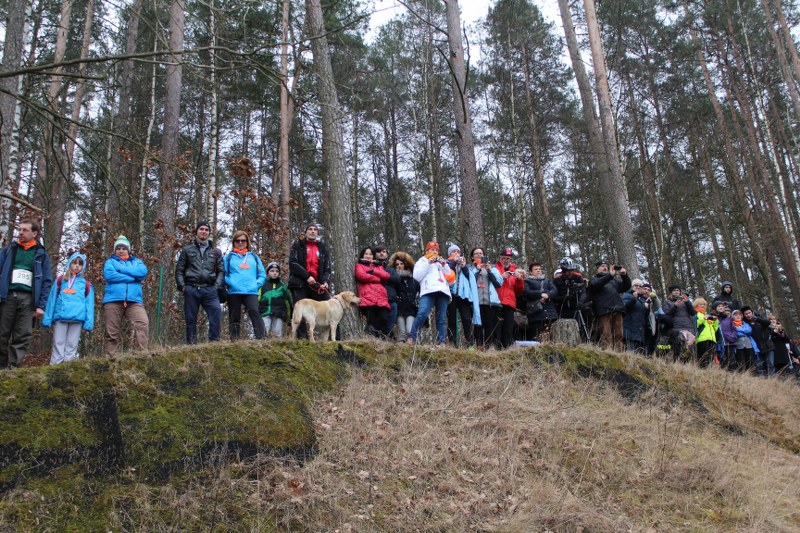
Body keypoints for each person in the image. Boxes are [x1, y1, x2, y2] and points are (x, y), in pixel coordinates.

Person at [0, 218, 53, 368]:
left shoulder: (41, 254)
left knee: (22, 335)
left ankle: (13, 370)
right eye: (20, 229)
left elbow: (46, 281)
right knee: (2, 334)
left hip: (29, 300)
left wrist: (41, 306)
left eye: (25, 230)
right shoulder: (9, 250)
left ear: (34, 233)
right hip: (7, 297)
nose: (21, 233)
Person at [175, 221, 223, 344]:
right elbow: (179, 270)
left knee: (216, 312)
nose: (203, 231)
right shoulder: (187, 250)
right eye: (201, 229)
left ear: (209, 233)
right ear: (196, 231)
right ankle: (191, 344)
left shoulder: (216, 252)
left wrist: (216, 287)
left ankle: (214, 342)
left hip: (210, 289)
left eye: (206, 230)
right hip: (191, 288)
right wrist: (182, 287)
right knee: (190, 318)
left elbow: (221, 271)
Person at [42, 252, 94, 364]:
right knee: (58, 342)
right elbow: (52, 299)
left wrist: (89, 322)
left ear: (83, 266)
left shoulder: (86, 284)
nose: (77, 266)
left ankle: (68, 367)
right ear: (69, 264)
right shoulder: (61, 280)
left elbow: (89, 305)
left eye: (80, 264)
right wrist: (47, 318)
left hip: (78, 318)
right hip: (61, 316)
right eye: (74, 263)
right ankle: (54, 366)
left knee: (72, 344)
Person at [103, 235, 149, 356]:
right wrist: (132, 278)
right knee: (111, 331)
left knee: (142, 323)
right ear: (115, 250)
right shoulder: (110, 262)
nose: (121, 250)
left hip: (134, 301)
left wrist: (121, 269)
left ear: (128, 250)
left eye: (124, 248)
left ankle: (141, 355)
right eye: (118, 248)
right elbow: (110, 276)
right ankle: (110, 357)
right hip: (113, 300)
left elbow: (142, 273)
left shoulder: (137, 262)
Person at [406, 241, 455, 346]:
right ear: (427, 251)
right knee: (422, 313)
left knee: (441, 318)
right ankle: (411, 337)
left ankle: (441, 342)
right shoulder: (421, 261)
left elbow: (451, 281)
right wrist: (428, 263)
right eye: (432, 249)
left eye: (436, 250)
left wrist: (444, 265)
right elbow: (416, 277)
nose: (435, 252)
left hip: (443, 291)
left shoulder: (442, 263)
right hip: (428, 291)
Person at [288, 224, 332, 339]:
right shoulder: (298, 245)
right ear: (306, 232)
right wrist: (307, 276)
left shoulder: (322, 248)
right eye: (310, 229)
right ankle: (302, 339)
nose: (313, 231)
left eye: (315, 230)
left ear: (317, 233)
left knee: (331, 307)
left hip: (318, 285)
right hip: (300, 283)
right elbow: (293, 263)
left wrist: (326, 281)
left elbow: (327, 268)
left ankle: (334, 339)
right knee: (300, 311)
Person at [224, 230, 266, 340]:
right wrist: (231, 283)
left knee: (254, 312)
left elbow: (262, 274)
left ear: (247, 242)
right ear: (234, 242)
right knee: (234, 316)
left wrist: (256, 284)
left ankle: (262, 339)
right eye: (237, 240)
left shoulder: (254, 257)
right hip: (234, 291)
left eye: (243, 240)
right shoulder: (228, 257)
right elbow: (223, 274)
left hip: (251, 291)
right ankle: (234, 340)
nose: (240, 242)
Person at [587, 259, 631, 351]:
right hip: (603, 311)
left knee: (619, 334)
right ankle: (608, 353)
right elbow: (595, 285)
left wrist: (624, 275)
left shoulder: (614, 281)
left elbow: (626, 287)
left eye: (606, 267)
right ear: (597, 268)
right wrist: (609, 276)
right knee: (606, 334)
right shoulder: (594, 279)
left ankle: (619, 354)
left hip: (617, 309)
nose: (605, 268)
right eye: (602, 266)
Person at [468, 247, 503, 349]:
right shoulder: (470, 269)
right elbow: (469, 283)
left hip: (490, 302)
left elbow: (498, 284)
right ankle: (478, 346)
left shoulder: (493, 268)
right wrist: (477, 270)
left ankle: (488, 347)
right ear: (472, 257)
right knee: (477, 325)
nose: (479, 255)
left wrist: (489, 270)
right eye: (476, 253)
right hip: (476, 302)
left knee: (489, 325)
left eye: (481, 253)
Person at [447, 244, 480, 347]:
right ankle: (452, 343)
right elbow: (448, 273)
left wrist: (463, 266)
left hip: (463, 296)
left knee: (466, 319)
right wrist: (454, 262)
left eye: (458, 251)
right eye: (454, 252)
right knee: (452, 320)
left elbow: (469, 277)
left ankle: (470, 343)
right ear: (450, 254)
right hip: (451, 295)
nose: (456, 253)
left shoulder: (465, 265)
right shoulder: (447, 263)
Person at [354, 246, 391, 337]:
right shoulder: (359, 265)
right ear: (362, 255)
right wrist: (378, 279)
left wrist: (372, 271)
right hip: (367, 297)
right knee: (372, 322)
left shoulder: (378, 266)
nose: (368, 256)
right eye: (366, 254)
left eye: (370, 254)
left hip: (380, 297)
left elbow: (386, 276)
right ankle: (374, 341)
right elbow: (361, 276)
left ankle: (384, 340)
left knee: (384, 319)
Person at [495, 247, 524, 348]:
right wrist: (501, 277)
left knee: (508, 327)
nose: (506, 260)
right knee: (497, 326)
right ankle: (496, 348)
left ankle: (507, 348)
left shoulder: (515, 271)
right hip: (497, 302)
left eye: (508, 258)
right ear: (500, 258)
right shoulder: (495, 269)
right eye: (504, 258)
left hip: (509, 303)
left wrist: (520, 279)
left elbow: (519, 291)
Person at [522, 262, 558, 341]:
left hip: (550, 313)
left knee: (552, 337)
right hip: (536, 314)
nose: (538, 270)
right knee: (537, 337)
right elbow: (527, 292)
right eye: (535, 269)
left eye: (539, 269)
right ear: (531, 272)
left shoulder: (547, 280)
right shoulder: (527, 281)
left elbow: (554, 290)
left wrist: (548, 295)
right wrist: (540, 294)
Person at [388, 251, 419, 342]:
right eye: (397, 264)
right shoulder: (393, 280)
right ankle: (401, 348)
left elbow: (418, 293)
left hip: (411, 308)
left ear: (405, 264)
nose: (399, 266)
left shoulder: (413, 280)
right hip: (399, 308)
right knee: (401, 333)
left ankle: (411, 347)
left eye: (401, 264)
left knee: (410, 331)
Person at [661, 284, 696, 361]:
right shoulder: (667, 302)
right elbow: (666, 316)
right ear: (671, 292)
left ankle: (690, 363)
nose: (676, 292)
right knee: (678, 347)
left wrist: (688, 302)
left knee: (690, 348)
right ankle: (677, 361)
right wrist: (675, 306)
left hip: (688, 327)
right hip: (676, 328)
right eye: (674, 290)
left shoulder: (685, 301)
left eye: (678, 290)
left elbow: (693, 313)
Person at [259, 262, 292, 338]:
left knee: (277, 333)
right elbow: (258, 299)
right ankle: (262, 344)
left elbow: (288, 302)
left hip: (279, 313)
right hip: (265, 312)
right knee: (264, 331)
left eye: (277, 271)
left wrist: (289, 318)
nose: (274, 273)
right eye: (272, 271)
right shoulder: (262, 285)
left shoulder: (282, 286)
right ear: (268, 272)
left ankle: (277, 344)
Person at [373, 246, 400, 338]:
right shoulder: (372, 267)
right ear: (375, 254)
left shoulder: (391, 269)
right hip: (377, 300)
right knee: (379, 323)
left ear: (387, 254)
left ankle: (387, 339)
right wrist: (388, 278)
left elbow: (397, 280)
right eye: (379, 251)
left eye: (384, 251)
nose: (381, 253)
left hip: (391, 298)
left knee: (390, 323)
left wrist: (383, 276)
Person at [741, 306, 771, 376]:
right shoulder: (744, 323)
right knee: (760, 365)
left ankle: (771, 379)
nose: (748, 315)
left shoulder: (759, 318)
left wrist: (757, 319)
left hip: (766, 345)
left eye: (749, 313)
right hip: (755, 347)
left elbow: (768, 322)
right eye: (746, 314)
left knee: (770, 364)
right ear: (744, 315)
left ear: (752, 312)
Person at [622, 279, 648, 354]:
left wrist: (647, 308)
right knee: (630, 356)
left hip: (639, 334)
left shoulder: (642, 300)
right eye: (636, 285)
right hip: (629, 332)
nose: (638, 287)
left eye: (640, 286)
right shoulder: (627, 295)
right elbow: (624, 308)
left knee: (638, 357)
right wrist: (633, 299)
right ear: (632, 286)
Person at [694, 298, 719, 368]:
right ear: (696, 305)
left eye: (704, 305)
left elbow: (715, 329)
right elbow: (695, 325)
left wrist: (715, 321)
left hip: (712, 339)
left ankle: (710, 370)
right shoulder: (696, 314)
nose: (703, 306)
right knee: (703, 357)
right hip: (702, 339)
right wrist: (703, 318)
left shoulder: (708, 315)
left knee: (711, 357)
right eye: (701, 304)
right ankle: (702, 370)